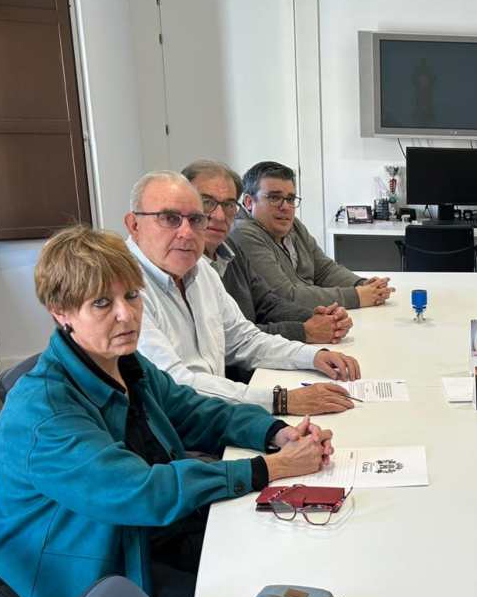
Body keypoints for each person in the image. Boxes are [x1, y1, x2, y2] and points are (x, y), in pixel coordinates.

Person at [0, 225, 337, 597]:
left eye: (132, 296)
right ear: (60, 312)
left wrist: (274, 433)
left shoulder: (124, 362)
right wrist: (271, 468)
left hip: (139, 541)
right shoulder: (43, 414)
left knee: (286, 549)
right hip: (78, 587)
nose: (126, 315)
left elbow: (193, 410)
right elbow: (140, 491)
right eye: (102, 303)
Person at [125, 170, 360, 415]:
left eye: (195, 219)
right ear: (134, 225)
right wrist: (281, 400)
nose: (186, 232)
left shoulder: (200, 270)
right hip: (178, 432)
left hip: (218, 415)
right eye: (170, 218)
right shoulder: (124, 290)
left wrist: (312, 356)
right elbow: (176, 384)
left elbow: (243, 339)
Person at [182, 159, 352, 346]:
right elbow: (231, 337)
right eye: (207, 202)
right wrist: (304, 331)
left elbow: (266, 303)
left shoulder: (229, 249)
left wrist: (320, 317)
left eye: (229, 204)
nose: (220, 216)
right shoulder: (185, 267)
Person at [230, 159, 395, 309]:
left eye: (290, 199)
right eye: (274, 198)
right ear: (249, 202)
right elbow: (285, 297)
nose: (285, 207)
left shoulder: (293, 225)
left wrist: (362, 284)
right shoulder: (243, 234)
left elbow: (324, 270)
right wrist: (357, 296)